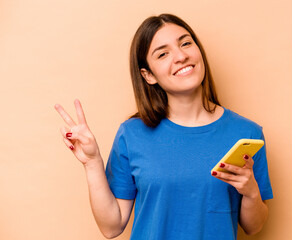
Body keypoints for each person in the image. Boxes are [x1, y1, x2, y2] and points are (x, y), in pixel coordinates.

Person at [54, 13, 273, 240]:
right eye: (163, 54)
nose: (181, 56)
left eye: (186, 43)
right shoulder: (132, 134)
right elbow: (112, 226)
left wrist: (251, 193)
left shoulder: (246, 134)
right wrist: (92, 163)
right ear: (148, 75)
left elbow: (253, 227)